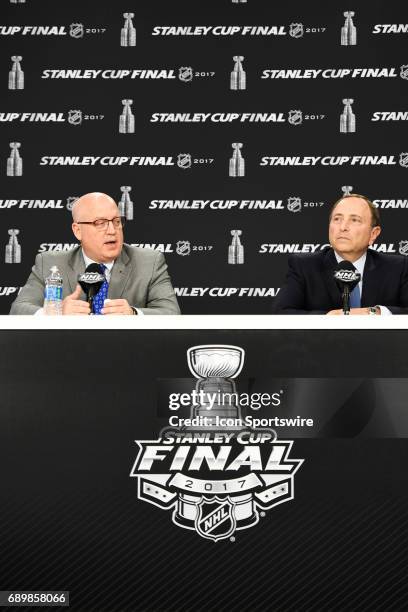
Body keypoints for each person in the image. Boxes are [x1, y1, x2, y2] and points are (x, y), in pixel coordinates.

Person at [10, 192, 180, 315]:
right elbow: (19, 309)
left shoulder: (149, 262)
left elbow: (171, 312)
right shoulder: (49, 263)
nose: (112, 230)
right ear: (78, 231)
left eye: (116, 221)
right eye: (100, 223)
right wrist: (56, 312)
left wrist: (133, 314)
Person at [273, 194, 408, 315]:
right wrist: (330, 319)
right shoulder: (304, 266)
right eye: (337, 219)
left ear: (373, 234)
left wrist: (374, 312)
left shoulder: (398, 267)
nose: (343, 227)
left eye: (354, 220)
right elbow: (282, 312)